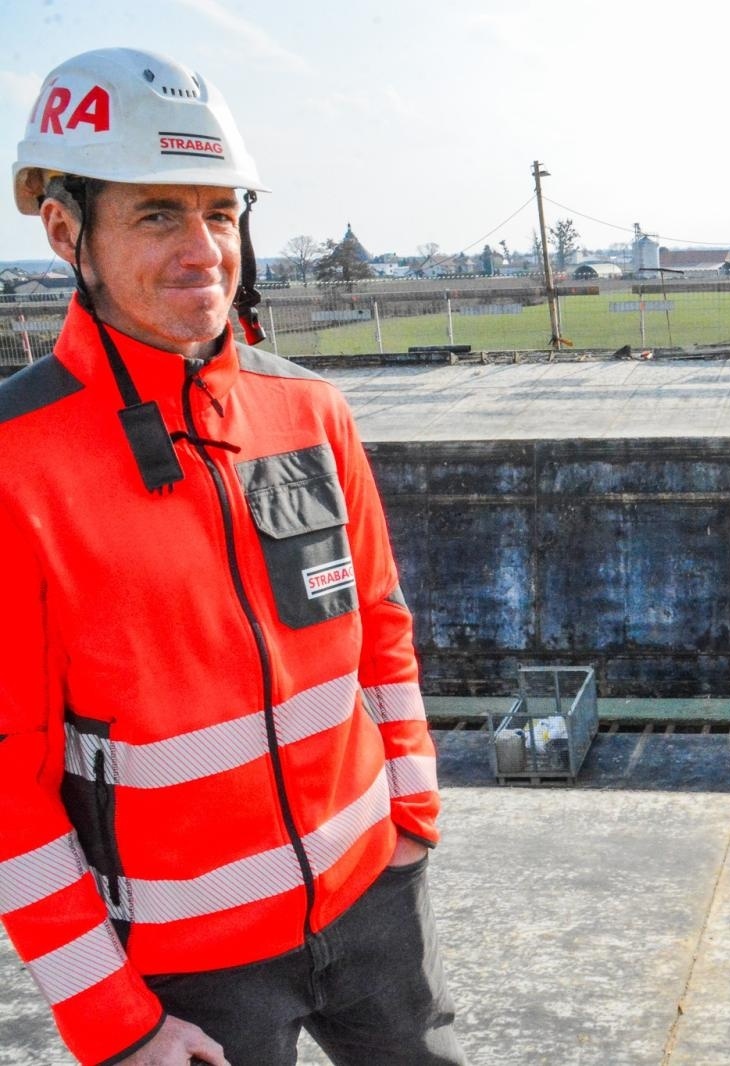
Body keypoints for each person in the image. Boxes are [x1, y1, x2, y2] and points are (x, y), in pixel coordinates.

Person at [0, 49, 462, 1065]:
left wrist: (411, 818)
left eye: (220, 213)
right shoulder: (14, 464)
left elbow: (380, 628)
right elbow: (7, 779)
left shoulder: (309, 411)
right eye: (158, 214)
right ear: (66, 231)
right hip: (187, 975)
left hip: (374, 900)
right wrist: (114, 1022)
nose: (204, 249)